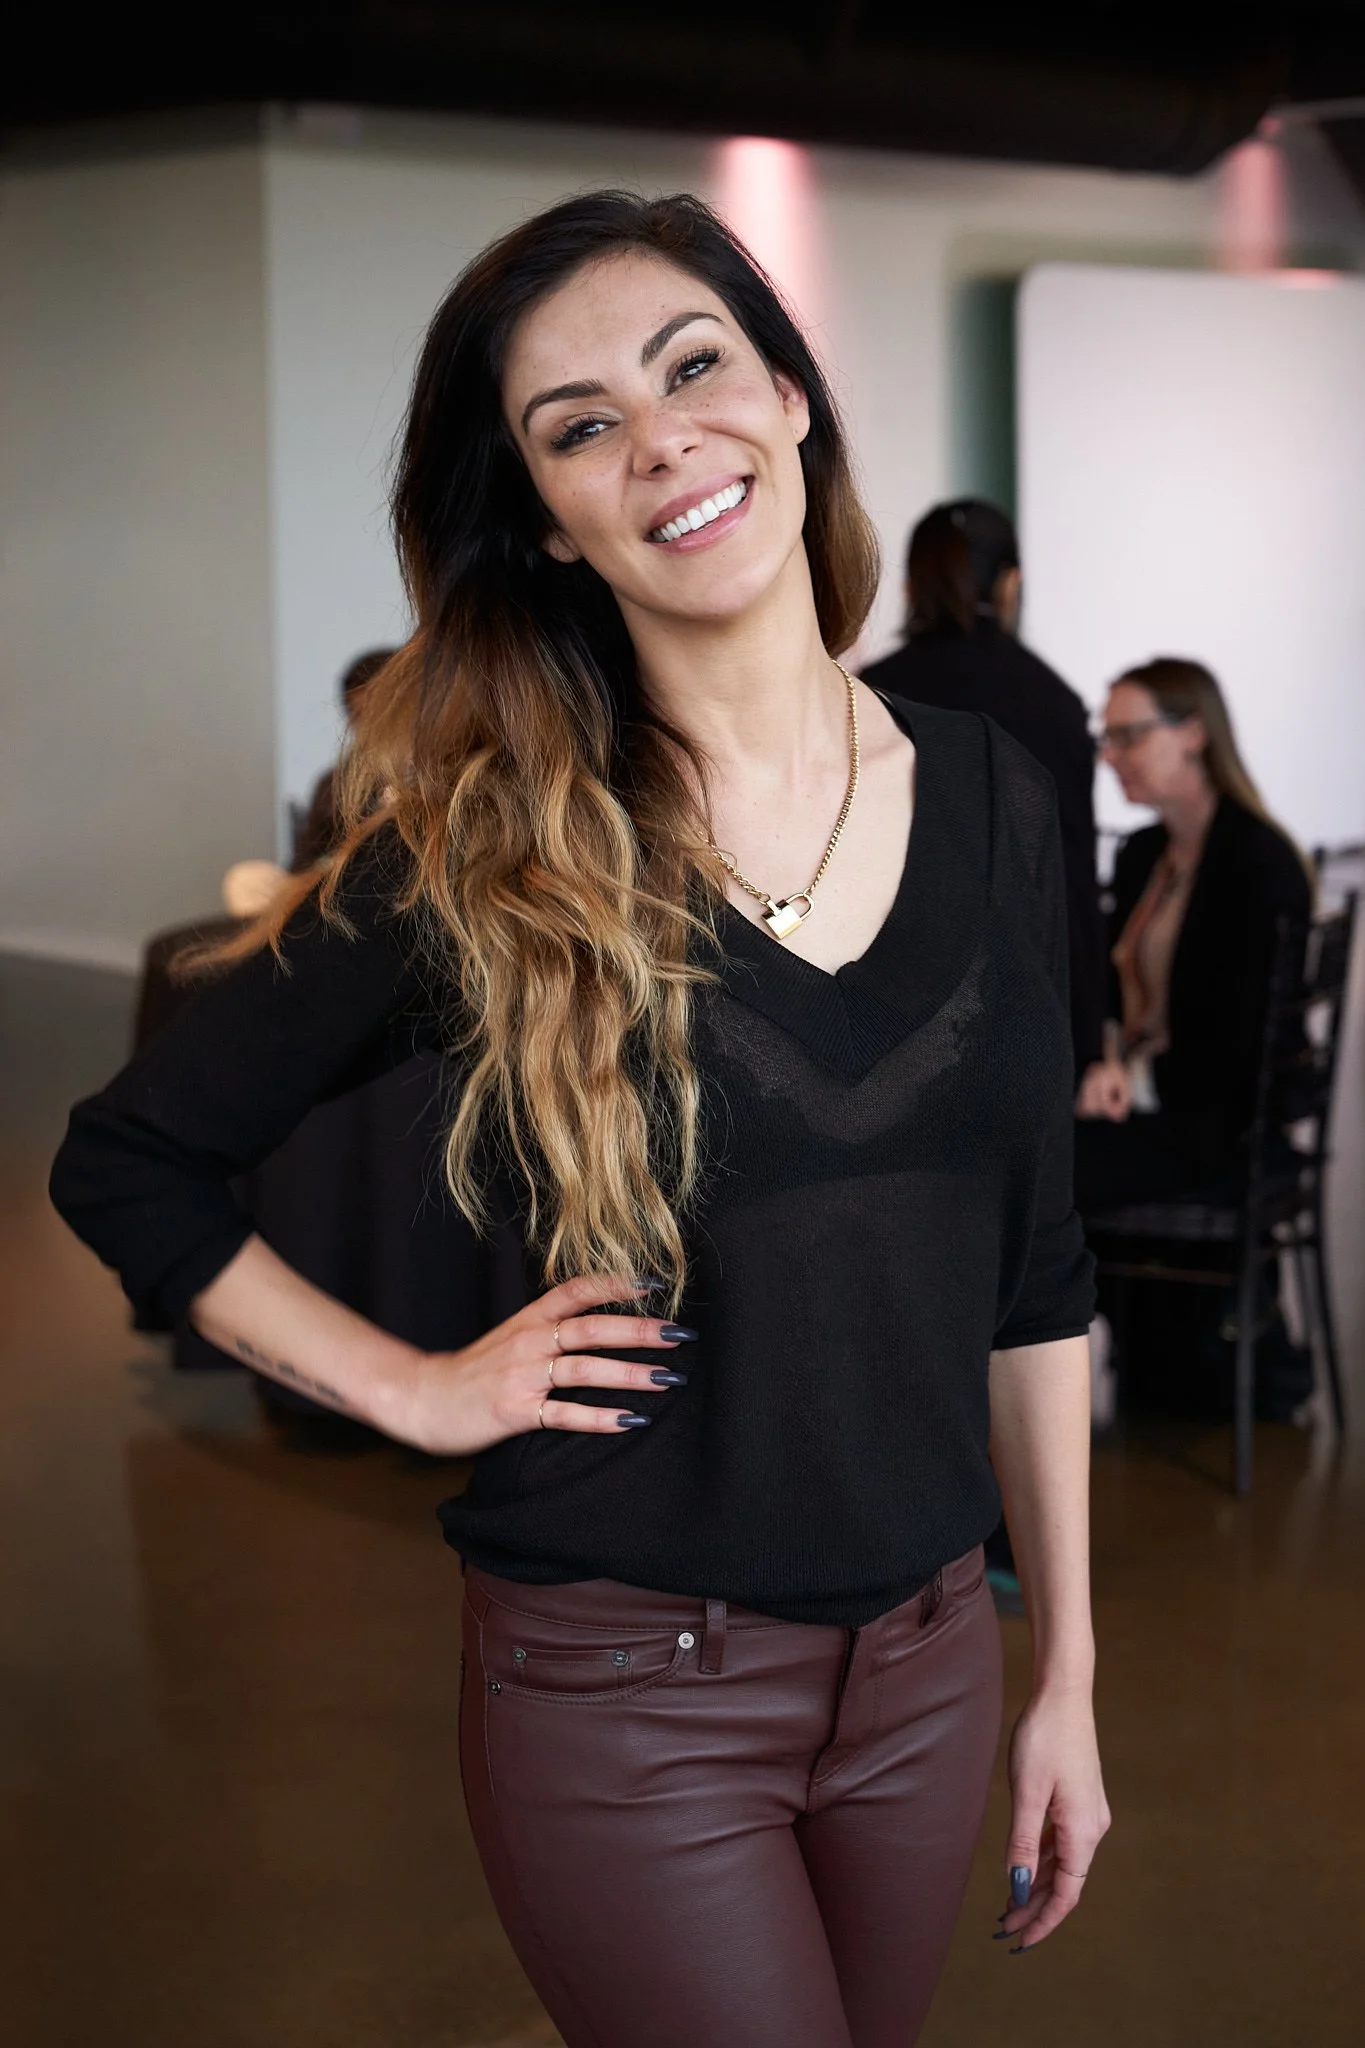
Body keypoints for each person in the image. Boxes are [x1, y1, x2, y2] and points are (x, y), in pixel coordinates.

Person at [50, 192, 1108, 2047]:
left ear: (789, 400)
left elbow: (1034, 1268)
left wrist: (1068, 1673)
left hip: (938, 1670)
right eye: (580, 424)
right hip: (634, 1692)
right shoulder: (497, 851)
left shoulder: (1006, 800)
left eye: (694, 366)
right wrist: (412, 1385)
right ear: (548, 518)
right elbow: (129, 1157)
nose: (660, 437)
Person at [1075, 658, 1313, 1417]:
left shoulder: (1258, 862)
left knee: (1034, 1172)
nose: (1108, 754)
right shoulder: (1144, 853)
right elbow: (1113, 993)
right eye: (1103, 736)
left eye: (1126, 735)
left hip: (1215, 1125)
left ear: (1193, 735)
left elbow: (1233, 1055)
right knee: (1031, 1152)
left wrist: (1127, 1081)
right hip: (1157, 1105)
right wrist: (1105, 1058)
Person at [863, 499, 1106, 1074]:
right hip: (1020, 1016)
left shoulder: (866, 696)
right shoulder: (1052, 702)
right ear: (1011, 584)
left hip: (888, 1013)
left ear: (909, 587)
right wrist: (1091, 1044)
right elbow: (1070, 881)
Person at [291, 646, 398, 870]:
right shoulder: (334, 784)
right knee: (246, 879)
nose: (371, 728)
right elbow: (304, 865)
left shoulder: (437, 776)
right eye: (359, 716)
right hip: (342, 884)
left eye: (381, 714)